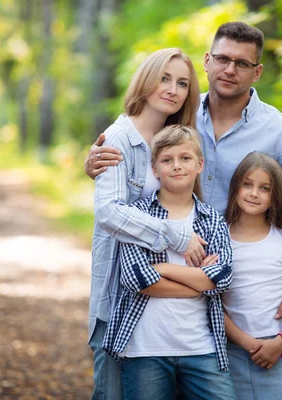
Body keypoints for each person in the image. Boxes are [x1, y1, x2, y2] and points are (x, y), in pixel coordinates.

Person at [85, 21, 282, 344]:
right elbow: (137, 150)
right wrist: (98, 163)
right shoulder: (178, 115)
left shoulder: (281, 132)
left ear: (256, 72)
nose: (230, 69)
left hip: (247, 300)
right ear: (207, 61)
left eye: (242, 63)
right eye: (223, 59)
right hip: (166, 300)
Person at [89, 48, 207, 400]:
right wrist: (175, 236)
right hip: (121, 297)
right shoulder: (118, 139)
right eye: (165, 78)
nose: (173, 89)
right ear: (146, 79)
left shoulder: (177, 140)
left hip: (171, 308)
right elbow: (108, 211)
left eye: (183, 83)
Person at [103, 125, 236, 400]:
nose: (176, 166)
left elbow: (221, 277)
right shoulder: (137, 216)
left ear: (199, 165)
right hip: (145, 349)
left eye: (185, 158)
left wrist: (161, 269)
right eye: (167, 160)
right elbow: (136, 280)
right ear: (155, 169)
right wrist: (200, 282)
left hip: (202, 347)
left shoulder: (211, 219)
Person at [223, 152, 282, 399]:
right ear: (235, 187)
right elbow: (211, 302)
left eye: (264, 188)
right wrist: (247, 343)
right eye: (247, 184)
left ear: (275, 197)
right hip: (232, 350)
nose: (254, 193)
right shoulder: (219, 237)